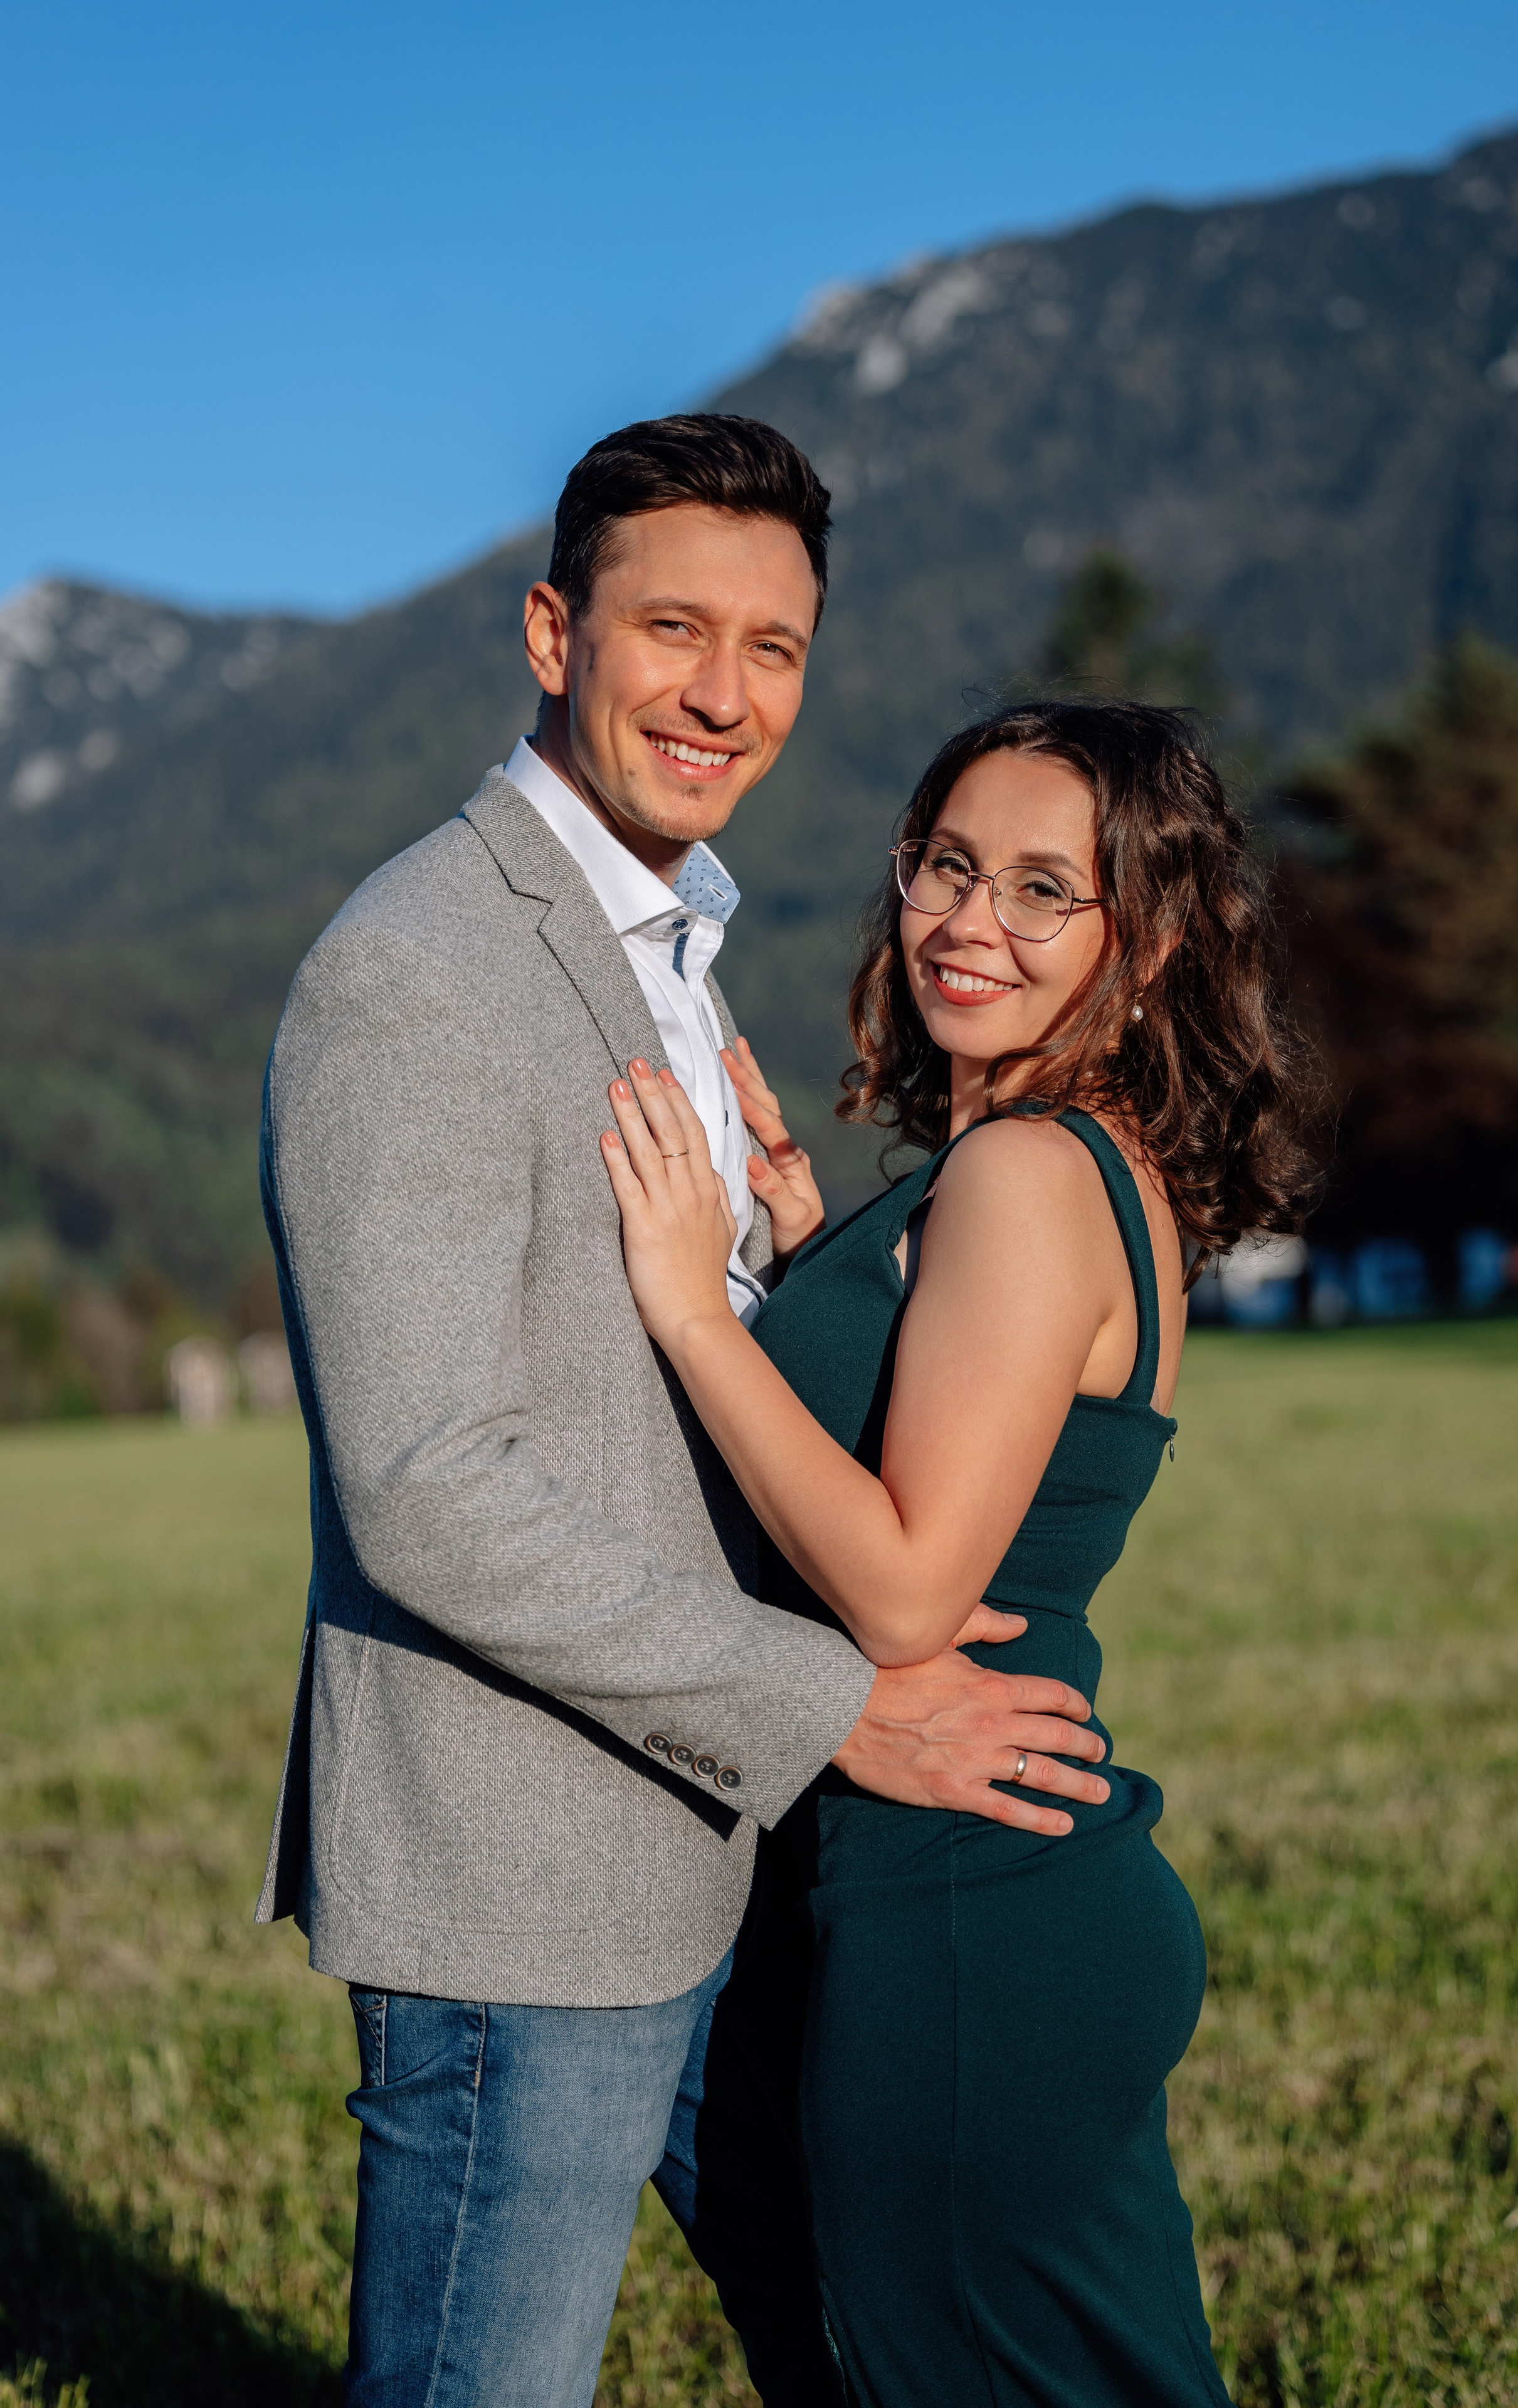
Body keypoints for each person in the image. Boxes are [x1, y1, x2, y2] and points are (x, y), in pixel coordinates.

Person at [254, 417, 1109, 2407]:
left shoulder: (668, 949)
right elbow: (427, 1485)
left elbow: (639, 1379)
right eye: (673, 630)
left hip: (721, 1835)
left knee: (876, 2348)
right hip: (528, 1874)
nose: (726, 693)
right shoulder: (415, 973)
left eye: (775, 647)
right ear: (555, 634)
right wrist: (838, 1708)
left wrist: (797, 1271)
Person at [601, 698, 1320, 2405]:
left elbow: (912, 1587)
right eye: (945, 865)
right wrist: (821, 1266)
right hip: (1020, 1894)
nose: (968, 920)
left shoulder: (1022, 1174)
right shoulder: (1083, 1171)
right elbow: (962, 1428)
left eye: (1043, 889)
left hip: (959, 1910)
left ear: (1146, 943)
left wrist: (693, 1311)